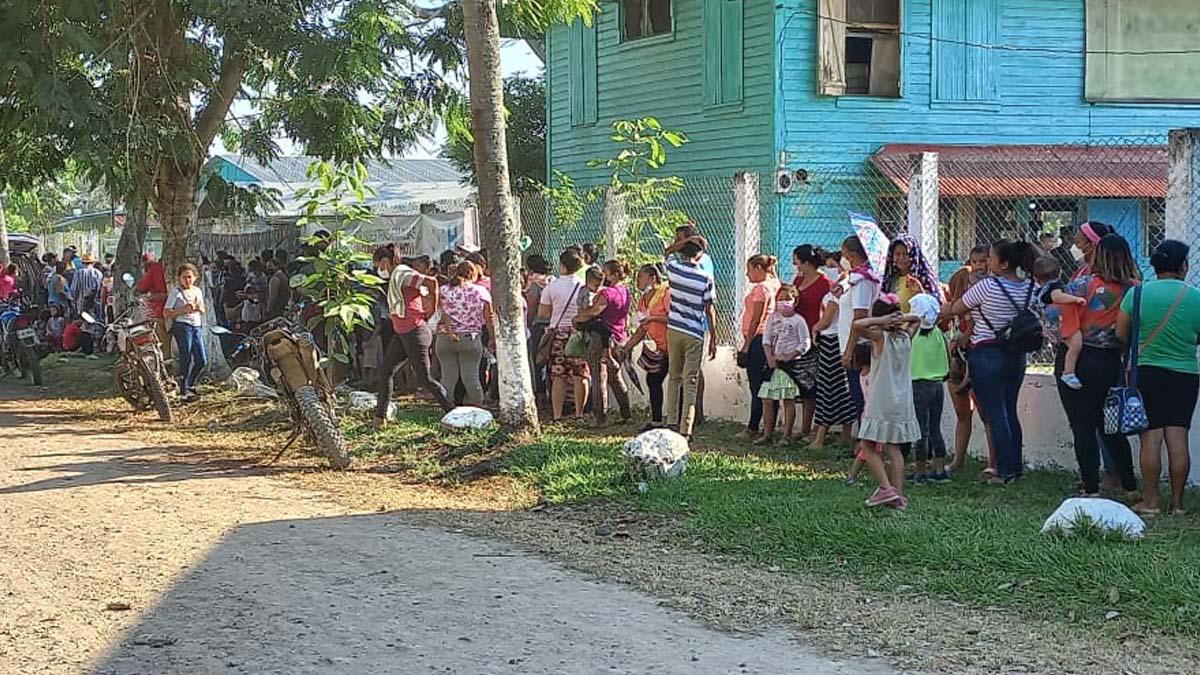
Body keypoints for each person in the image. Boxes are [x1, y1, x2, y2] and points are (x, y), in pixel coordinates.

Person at [941, 240, 1041, 485]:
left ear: (1004, 263)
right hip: (1016, 354)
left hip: (986, 353)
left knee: (996, 413)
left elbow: (957, 306)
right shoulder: (1029, 287)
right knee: (1010, 411)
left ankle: (1003, 470)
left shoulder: (987, 286)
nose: (988, 262)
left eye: (992, 258)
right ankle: (1015, 466)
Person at [1051, 234, 1141, 498]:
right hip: (1111, 360)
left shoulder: (1082, 285)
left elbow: (1054, 311)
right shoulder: (1135, 289)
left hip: (1077, 359)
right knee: (1110, 425)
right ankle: (1130, 485)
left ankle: (1091, 488)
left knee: (1082, 426)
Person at [1117, 240, 1200, 515]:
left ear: (1154, 266)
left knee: (1150, 437)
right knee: (1178, 437)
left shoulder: (1137, 295)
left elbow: (1120, 334)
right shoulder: (1196, 297)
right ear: (1183, 266)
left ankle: (1151, 501)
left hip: (1147, 372)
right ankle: (1177, 504)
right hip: (1185, 374)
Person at [851, 295, 922, 509]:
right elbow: (917, 319)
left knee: (866, 443)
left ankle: (885, 488)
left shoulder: (880, 337)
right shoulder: (905, 337)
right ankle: (898, 496)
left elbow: (857, 325)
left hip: (882, 398)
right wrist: (900, 318)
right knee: (894, 447)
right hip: (902, 401)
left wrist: (883, 322)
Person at [373, 244, 454, 428]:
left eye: (379, 264)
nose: (378, 269)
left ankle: (452, 411)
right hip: (402, 333)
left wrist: (431, 310)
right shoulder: (395, 276)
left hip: (415, 332)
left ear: (386, 261)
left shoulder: (402, 273)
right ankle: (380, 418)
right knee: (386, 371)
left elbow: (431, 283)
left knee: (425, 378)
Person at [944, 245, 995, 474]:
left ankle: (993, 463)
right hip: (959, 353)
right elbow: (954, 312)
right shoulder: (962, 279)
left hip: (980, 352)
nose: (979, 266)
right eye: (975, 262)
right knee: (962, 411)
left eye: (984, 261)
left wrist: (966, 335)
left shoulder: (993, 288)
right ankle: (958, 460)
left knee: (987, 413)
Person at [663, 235, 718, 440]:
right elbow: (709, 309)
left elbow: (667, 252)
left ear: (682, 252)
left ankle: (670, 422)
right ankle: (686, 429)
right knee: (690, 380)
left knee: (674, 377)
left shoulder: (674, 269)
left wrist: (682, 242)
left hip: (674, 329)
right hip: (694, 332)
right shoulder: (705, 278)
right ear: (700, 255)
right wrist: (713, 335)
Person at [575, 260, 634, 425]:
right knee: (615, 376)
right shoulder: (626, 292)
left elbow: (594, 312)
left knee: (599, 376)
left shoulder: (607, 294)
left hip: (600, 337)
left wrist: (578, 318)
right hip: (619, 336)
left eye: (606, 273)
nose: (603, 277)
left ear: (614, 275)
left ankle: (600, 417)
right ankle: (626, 412)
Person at [756, 285, 811, 446]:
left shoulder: (798, 321)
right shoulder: (773, 319)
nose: (783, 302)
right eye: (780, 299)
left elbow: (805, 342)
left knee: (788, 399)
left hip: (790, 366)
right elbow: (766, 340)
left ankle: (786, 435)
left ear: (795, 301)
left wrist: (791, 355)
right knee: (767, 398)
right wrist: (770, 358)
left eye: (787, 299)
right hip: (773, 365)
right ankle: (767, 433)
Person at [538, 250, 590, 420]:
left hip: (558, 333)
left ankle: (557, 415)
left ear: (563, 266)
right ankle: (579, 413)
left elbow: (543, 313)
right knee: (579, 374)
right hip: (578, 333)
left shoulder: (551, 287)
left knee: (558, 376)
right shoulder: (583, 285)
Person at [810, 267, 857, 449]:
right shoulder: (848, 287)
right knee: (841, 387)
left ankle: (821, 436)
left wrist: (815, 328)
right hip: (840, 339)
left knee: (828, 388)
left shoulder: (839, 290)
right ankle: (845, 433)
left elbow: (827, 319)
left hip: (831, 340)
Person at [435, 261, 493, 407]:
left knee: (448, 377)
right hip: (470, 337)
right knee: (471, 376)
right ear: (473, 274)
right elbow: (488, 317)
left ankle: (445, 407)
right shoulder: (480, 291)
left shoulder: (443, 290)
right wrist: (492, 337)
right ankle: (478, 407)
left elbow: (440, 312)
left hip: (445, 337)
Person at [736, 254, 781, 440]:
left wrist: (746, 345)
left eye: (749, 269)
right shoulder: (775, 284)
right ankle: (768, 427)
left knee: (757, 386)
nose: (747, 274)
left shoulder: (761, 289)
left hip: (758, 339)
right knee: (769, 385)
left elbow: (757, 318)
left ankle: (753, 426)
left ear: (759, 268)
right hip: (771, 339)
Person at [791, 245, 834, 439]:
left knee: (812, 384)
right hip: (796, 336)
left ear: (807, 263)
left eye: (797, 261)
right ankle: (802, 428)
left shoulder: (825, 283)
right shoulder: (798, 280)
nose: (795, 265)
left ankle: (811, 428)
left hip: (815, 337)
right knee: (799, 383)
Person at [837, 235, 881, 419]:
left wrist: (849, 350)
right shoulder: (855, 279)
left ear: (852, 255)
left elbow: (860, 318)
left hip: (859, 347)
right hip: (854, 344)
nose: (842, 259)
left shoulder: (863, 281)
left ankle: (867, 445)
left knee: (861, 398)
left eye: (844, 254)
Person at [908, 293, 950, 483]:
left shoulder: (913, 336)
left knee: (920, 431)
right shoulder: (939, 334)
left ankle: (920, 471)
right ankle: (940, 470)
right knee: (935, 428)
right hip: (938, 385)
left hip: (918, 384)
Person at [623, 264, 670, 427]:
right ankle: (656, 421)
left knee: (678, 383)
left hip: (675, 346)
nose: (637, 281)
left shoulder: (665, 293)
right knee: (653, 379)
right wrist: (627, 346)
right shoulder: (643, 300)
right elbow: (642, 329)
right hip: (661, 348)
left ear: (652, 278)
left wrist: (653, 319)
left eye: (640, 277)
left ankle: (678, 421)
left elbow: (674, 319)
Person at [1034, 256, 1088, 389]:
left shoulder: (1040, 289)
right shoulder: (1055, 286)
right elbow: (1057, 296)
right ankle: (1068, 372)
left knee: (1070, 344)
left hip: (1052, 324)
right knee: (1076, 344)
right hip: (1062, 321)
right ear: (1060, 273)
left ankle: (1068, 371)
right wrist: (1075, 299)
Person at [163, 263, 207, 402]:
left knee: (201, 359)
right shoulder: (176, 292)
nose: (187, 280)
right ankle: (183, 389)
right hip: (182, 326)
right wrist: (183, 310)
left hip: (196, 326)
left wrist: (198, 308)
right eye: (184, 278)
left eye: (189, 277)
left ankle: (191, 383)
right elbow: (166, 312)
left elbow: (203, 309)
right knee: (185, 357)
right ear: (179, 279)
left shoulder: (197, 291)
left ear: (195, 277)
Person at [881, 235, 944, 312]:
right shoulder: (889, 279)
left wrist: (920, 292)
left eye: (906, 254)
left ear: (913, 255)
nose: (901, 258)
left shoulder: (924, 278)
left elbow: (937, 306)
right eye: (897, 254)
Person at [136, 253, 170, 348]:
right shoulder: (178, 266)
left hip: (160, 309)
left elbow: (141, 288)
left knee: (162, 340)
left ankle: (166, 361)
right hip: (182, 310)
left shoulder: (155, 269)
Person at [69, 254, 103, 319]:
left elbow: (73, 289)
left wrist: (74, 301)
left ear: (82, 263)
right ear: (93, 263)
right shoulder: (98, 273)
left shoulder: (78, 273)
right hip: (96, 305)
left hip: (81, 305)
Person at [265, 250, 291, 320]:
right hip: (283, 307)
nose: (268, 268)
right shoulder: (283, 275)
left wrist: (268, 310)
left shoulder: (275, 279)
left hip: (276, 310)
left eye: (270, 266)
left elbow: (272, 297)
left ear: (276, 266)